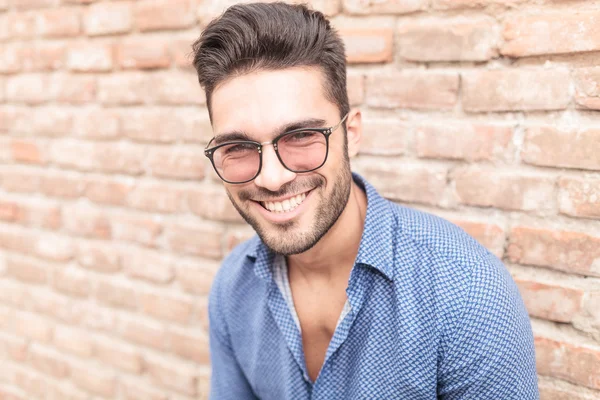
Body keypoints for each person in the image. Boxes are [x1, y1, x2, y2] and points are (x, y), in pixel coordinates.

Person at [192, 2, 539, 399]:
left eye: (302, 136)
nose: (272, 177)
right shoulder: (233, 288)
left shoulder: (463, 290)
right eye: (238, 146)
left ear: (351, 132)